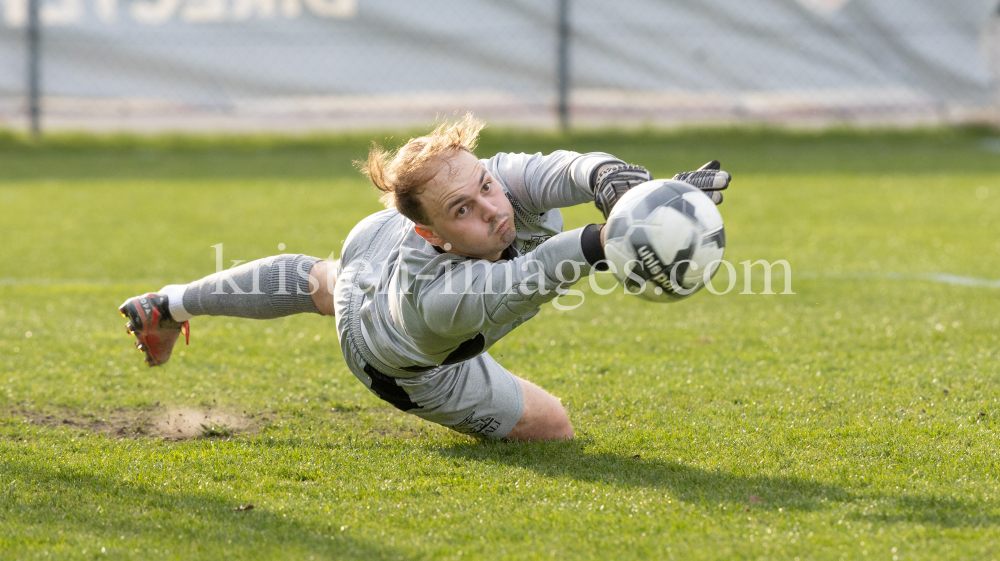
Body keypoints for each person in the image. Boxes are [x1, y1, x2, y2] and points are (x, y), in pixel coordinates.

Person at [118, 115, 730, 441]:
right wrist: (635, 229)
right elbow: (544, 267)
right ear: (432, 233)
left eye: (484, 186)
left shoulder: (488, 180)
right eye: (463, 210)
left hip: (371, 245)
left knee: (321, 281)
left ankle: (165, 305)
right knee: (552, 426)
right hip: (391, 353)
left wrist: (630, 188)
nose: (493, 208)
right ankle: (171, 305)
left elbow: (574, 167)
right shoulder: (438, 303)